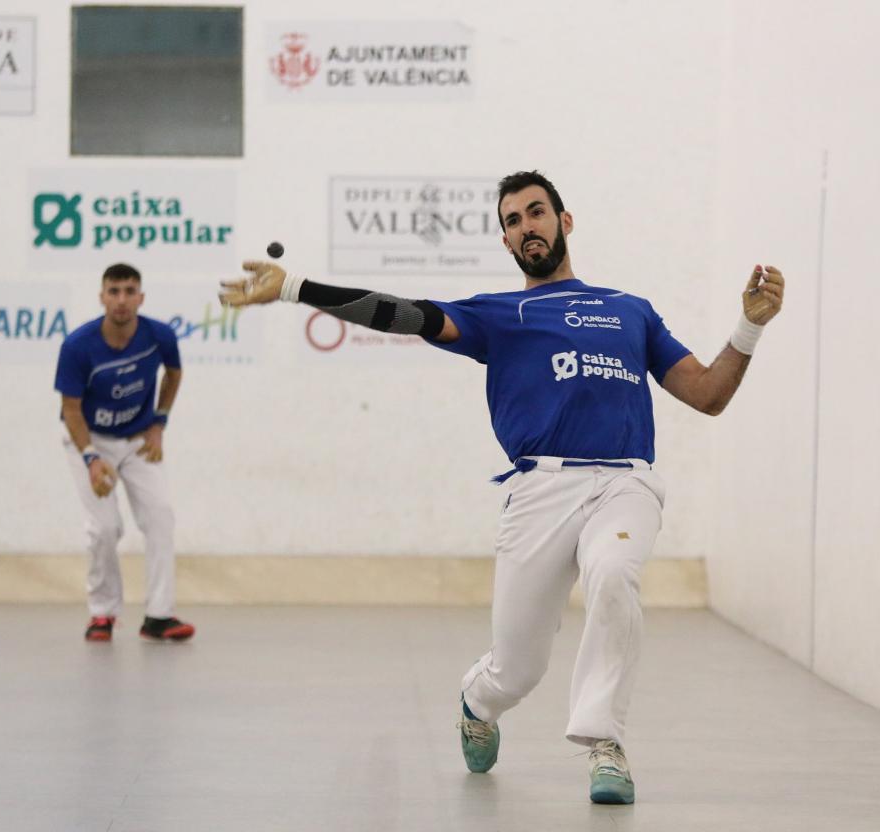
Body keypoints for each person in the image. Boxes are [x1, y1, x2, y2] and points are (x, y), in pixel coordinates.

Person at [219, 171, 783, 804]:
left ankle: (605, 745)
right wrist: (297, 287)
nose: (525, 227)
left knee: (615, 573)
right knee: (518, 669)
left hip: (625, 483)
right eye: (512, 222)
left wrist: (750, 327)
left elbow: (707, 394)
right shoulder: (499, 315)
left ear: (565, 222)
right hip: (538, 492)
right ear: (507, 242)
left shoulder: (631, 310)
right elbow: (405, 314)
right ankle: (477, 702)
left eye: (536, 213)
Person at [54, 263, 195, 643]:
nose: (121, 299)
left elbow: (174, 373)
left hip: (137, 442)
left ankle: (158, 617)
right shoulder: (77, 346)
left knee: (161, 517)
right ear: (102, 297)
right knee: (104, 529)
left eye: (129, 291)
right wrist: (90, 458)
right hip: (89, 440)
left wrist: (159, 424)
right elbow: (70, 409)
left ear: (141, 297)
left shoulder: (159, 335)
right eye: (114, 291)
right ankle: (102, 615)